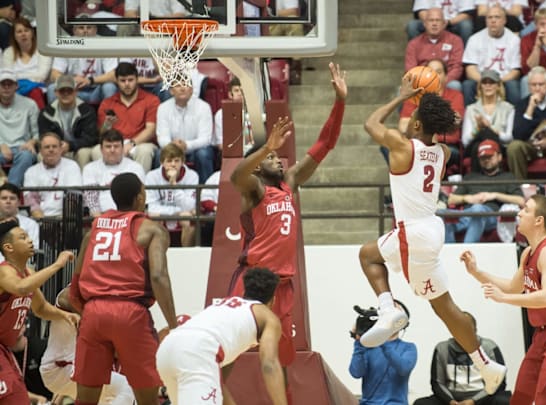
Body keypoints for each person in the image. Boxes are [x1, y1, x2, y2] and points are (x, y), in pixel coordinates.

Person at [359, 76, 506, 393]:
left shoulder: (402, 146)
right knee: (444, 306)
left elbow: (371, 123)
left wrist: (402, 98)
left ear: (414, 125)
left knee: (367, 255)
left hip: (411, 232)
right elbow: (438, 129)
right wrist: (430, 109)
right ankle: (485, 364)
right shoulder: (443, 153)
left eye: (412, 118)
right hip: (431, 230)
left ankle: (390, 311)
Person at [227, 63, 346, 384]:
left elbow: (324, 146)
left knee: (283, 357)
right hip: (251, 279)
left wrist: (340, 102)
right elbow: (236, 175)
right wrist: (266, 146)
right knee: (230, 347)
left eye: (278, 157)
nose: (278, 159)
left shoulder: (288, 183)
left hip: (283, 284)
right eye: (270, 159)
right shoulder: (253, 188)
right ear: (258, 166)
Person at [69, 172, 178, 405]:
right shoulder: (151, 230)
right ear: (140, 197)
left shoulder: (93, 230)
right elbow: (159, 277)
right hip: (131, 312)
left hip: (93, 311)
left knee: (85, 400)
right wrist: (173, 325)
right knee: (148, 398)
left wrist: (89, 314)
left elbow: (75, 285)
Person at [461, 194, 546, 404]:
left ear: (539, 220)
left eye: (526, 210)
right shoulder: (529, 252)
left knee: (545, 400)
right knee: (520, 397)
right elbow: (514, 287)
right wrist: (476, 272)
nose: (519, 213)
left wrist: (504, 299)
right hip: (541, 336)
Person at [156, 267, 287, 405]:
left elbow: (218, 382)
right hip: (199, 351)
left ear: (243, 292)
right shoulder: (268, 318)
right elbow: (269, 364)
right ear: (273, 301)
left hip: (168, 349)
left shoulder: (224, 308)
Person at [0, 219, 77, 403]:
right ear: (9, 247)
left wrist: (65, 314)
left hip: (5, 349)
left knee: (19, 398)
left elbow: (41, 308)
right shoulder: (4, 272)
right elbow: (20, 288)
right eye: (23, 237)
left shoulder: (27, 273)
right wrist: (58, 265)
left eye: (28, 236)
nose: (29, 240)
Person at [40, 287, 135, 405]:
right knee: (126, 388)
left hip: (69, 369)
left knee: (108, 397)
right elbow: (67, 300)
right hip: (62, 368)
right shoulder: (72, 293)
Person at [413, 312, 511, 405]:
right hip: (452, 398)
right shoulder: (442, 348)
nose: (463, 333)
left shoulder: (489, 347)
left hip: (483, 398)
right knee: (421, 403)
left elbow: (499, 382)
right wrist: (450, 401)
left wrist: (474, 401)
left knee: (504, 401)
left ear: (475, 330)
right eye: (458, 329)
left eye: (467, 329)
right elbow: (437, 382)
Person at [442, 139, 524, 243]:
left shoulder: (507, 177)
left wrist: (494, 195)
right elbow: (451, 200)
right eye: (483, 158)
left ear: (499, 157)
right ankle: (450, 252)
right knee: (441, 213)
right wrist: (468, 198)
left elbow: (520, 200)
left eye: (490, 157)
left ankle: (466, 251)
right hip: (467, 214)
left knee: (478, 209)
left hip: (491, 216)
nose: (486, 160)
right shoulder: (470, 177)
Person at [95, 62, 161, 173]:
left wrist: (131, 144)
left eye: (130, 80)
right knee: (96, 150)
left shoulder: (151, 100)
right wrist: (107, 125)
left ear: (137, 79)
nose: (127, 84)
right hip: (115, 143)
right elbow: (102, 134)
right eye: (123, 81)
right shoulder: (107, 103)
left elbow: (151, 130)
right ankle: (106, 186)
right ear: (117, 81)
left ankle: (139, 187)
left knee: (144, 151)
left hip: (141, 143)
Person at [349, 300, 417, 405]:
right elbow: (356, 373)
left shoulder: (409, 348)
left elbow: (404, 368)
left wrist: (382, 338)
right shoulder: (368, 347)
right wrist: (358, 342)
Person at [461, 6, 522, 105]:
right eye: (490, 17)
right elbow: (470, 70)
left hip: (504, 80)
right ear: (486, 20)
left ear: (504, 20)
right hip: (481, 79)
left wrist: (498, 82)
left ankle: (515, 118)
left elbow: (516, 71)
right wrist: (485, 82)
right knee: (468, 85)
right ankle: (471, 117)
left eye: (497, 17)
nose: (493, 20)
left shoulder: (514, 40)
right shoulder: (474, 39)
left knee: (513, 85)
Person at [156, 82, 215, 183]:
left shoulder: (203, 107)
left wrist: (186, 145)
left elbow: (206, 139)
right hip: (172, 149)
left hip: (196, 150)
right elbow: (162, 138)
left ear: (191, 89)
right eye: (178, 85)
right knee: (159, 154)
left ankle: (205, 191)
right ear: (171, 91)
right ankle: (162, 190)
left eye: (186, 85)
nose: (182, 88)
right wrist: (174, 146)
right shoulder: (163, 108)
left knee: (203, 154)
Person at [38, 74, 98, 169]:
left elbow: (91, 138)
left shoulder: (87, 110)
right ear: (56, 93)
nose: (66, 94)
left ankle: (83, 183)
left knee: (84, 153)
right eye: (62, 91)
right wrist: (57, 146)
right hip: (56, 147)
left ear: (76, 92)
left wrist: (70, 145)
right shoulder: (46, 113)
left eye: (69, 91)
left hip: (78, 149)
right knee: (41, 155)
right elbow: (44, 137)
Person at [145, 143, 200, 247]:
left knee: (188, 218)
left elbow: (190, 206)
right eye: (169, 161)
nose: (173, 164)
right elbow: (152, 209)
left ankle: (186, 255)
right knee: (155, 218)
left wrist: (174, 185)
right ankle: (158, 254)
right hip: (164, 216)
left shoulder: (192, 176)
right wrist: (176, 212)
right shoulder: (152, 176)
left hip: (181, 216)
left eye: (176, 161)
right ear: (162, 162)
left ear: (182, 162)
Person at [82, 130, 146, 217]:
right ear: (101, 149)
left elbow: (139, 198)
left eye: (116, 146)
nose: (112, 150)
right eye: (108, 146)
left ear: (123, 148)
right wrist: (100, 220)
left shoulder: (135, 167)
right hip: (100, 216)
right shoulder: (90, 168)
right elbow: (91, 198)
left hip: (128, 217)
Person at [22, 131, 82, 219]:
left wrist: (64, 220)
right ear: (41, 151)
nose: (51, 150)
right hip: (41, 218)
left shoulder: (72, 166)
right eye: (47, 147)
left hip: (66, 217)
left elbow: (74, 196)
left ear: (61, 149)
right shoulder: (31, 171)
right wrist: (44, 222)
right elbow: (31, 202)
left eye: (54, 146)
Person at [405, 8, 464, 91]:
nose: (434, 24)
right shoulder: (414, 44)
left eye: (438, 20)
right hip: (422, 83)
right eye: (431, 20)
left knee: (455, 85)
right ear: (424, 24)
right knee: (401, 91)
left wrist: (442, 81)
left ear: (444, 24)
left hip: (446, 82)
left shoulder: (455, 41)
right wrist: (425, 82)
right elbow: (411, 70)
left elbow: (457, 67)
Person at [1, 17, 52, 105]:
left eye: (26, 30)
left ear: (32, 33)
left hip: (39, 90)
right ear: (14, 36)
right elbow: (7, 75)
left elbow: (42, 75)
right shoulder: (8, 53)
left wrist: (18, 77)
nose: (23, 34)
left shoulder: (43, 51)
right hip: (14, 89)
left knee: (35, 92)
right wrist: (26, 80)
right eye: (19, 32)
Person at [0, 68, 38, 186]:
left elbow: (37, 133)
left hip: (22, 146)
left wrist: (31, 142)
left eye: (10, 84)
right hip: (1, 146)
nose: (6, 87)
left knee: (26, 156)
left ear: (16, 86)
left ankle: (10, 189)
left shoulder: (30, 104)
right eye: (3, 84)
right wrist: (1, 145)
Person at [461, 70, 516, 150]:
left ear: (498, 86)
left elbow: (509, 138)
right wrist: (478, 129)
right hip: (477, 148)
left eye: (492, 82)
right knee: (478, 146)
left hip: (498, 147)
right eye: (484, 83)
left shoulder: (508, 108)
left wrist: (490, 129)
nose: (488, 85)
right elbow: (465, 141)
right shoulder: (471, 109)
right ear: (480, 86)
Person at [0, 182, 39, 262]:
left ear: (18, 202)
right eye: (4, 198)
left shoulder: (31, 224)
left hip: (21, 268)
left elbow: (34, 249)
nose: (8, 201)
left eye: (12, 198)